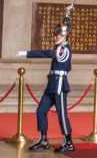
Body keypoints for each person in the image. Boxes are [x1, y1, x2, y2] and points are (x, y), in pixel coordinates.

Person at [16, 21, 74, 152]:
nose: (55, 37)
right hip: (52, 84)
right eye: (56, 35)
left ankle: (68, 141)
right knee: (41, 110)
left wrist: (27, 53)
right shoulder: (59, 48)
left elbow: (51, 55)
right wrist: (64, 24)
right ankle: (43, 140)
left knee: (62, 114)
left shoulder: (65, 49)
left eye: (58, 35)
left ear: (64, 36)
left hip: (59, 85)